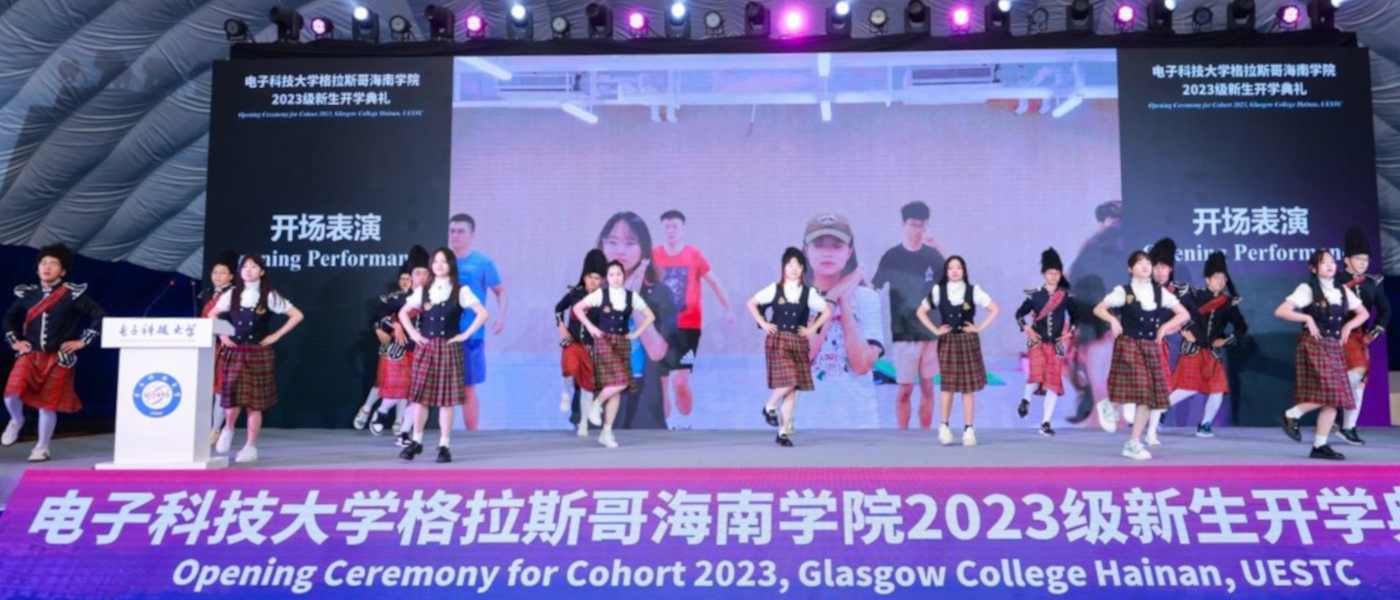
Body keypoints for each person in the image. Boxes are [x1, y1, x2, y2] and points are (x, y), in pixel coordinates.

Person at [3, 244, 106, 462]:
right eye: (43, 263)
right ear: (38, 268)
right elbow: (9, 319)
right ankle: (17, 420)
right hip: (30, 354)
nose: (47, 267)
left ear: (63, 271)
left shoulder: (72, 294)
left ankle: (42, 447)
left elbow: (100, 315)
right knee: (11, 393)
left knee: (47, 405)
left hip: (59, 357)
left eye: (53, 264)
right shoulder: (28, 294)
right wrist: (15, 342)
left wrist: (82, 341)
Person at [1093, 250, 1190, 461]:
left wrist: (1164, 327)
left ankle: (1133, 442)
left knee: (1149, 398)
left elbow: (1184, 314)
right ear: (1130, 269)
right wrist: (1113, 320)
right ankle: (1110, 404)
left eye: (1148, 262)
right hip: (1129, 344)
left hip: (1151, 346)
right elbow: (1099, 309)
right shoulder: (1123, 291)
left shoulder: (1160, 293)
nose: (1145, 266)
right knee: (1142, 389)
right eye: (1139, 263)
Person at [398, 248, 489, 463]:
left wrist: (464, 335)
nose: (439, 265)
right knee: (420, 400)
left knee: (446, 402)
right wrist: (413, 334)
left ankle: (444, 446)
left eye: (443, 261)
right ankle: (416, 441)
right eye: (435, 261)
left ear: (451, 265)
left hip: (449, 348)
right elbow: (403, 313)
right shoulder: (423, 290)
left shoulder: (460, 290)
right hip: (426, 348)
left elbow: (483, 313)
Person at [1276, 250, 1369, 460]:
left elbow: (1364, 313)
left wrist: (1348, 327)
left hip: (1334, 346)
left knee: (1334, 399)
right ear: (1313, 268)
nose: (1329, 265)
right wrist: (1307, 319)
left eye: (1332, 261)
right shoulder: (1307, 289)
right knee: (1334, 393)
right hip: (1314, 344)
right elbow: (1281, 310)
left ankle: (1319, 445)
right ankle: (1291, 414)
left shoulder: (1342, 290)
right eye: (1323, 262)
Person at [212, 254, 305, 464]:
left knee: (255, 403)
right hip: (235, 350)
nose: (248, 270)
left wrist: (275, 336)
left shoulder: (269, 295)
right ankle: (228, 428)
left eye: (253, 266)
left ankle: (250, 446)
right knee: (231, 397)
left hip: (258, 352)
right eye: (245, 266)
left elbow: (297, 315)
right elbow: (213, 313)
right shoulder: (231, 294)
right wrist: (223, 335)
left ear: (262, 272)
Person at [1148, 251, 1246, 442]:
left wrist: (1227, 340)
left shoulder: (1228, 303)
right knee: (1189, 388)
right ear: (1207, 279)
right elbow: (1178, 313)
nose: (1220, 281)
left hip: (1212, 352)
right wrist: (1183, 329)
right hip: (1192, 350)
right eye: (1216, 277)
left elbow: (1241, 327)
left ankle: (1205, 424)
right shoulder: (1194, 295)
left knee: (1217, 390)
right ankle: (1159, 410)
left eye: (1223, 278)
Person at [801, 214, 885, 430]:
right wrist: (831, 298)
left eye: (837, 246)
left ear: (849, 252)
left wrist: (845, 302)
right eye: (819, 245)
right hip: (804, 423)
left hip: (859, 423)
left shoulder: (867, 298)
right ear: (806, 250)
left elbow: (862, 364)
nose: (828, 252)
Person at [654, 210, 735, 430]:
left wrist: (728, 310)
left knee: (679, 381)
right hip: (659, 327)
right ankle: (664, 425)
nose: (671, 231)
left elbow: (714, 283)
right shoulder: (654, 256)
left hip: (687, 327)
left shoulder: (694, 255)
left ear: (683, 229)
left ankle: (686, 421)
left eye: (675, 226)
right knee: (661, 381)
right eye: (667, 227)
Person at [595, 211, 674, 430]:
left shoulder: (660, 294)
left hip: (643, 406)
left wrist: (634, 303)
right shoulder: (589, 293)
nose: (620, 250)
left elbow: (657, 352)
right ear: (602, 246)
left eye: (630, 243)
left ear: (643, 249)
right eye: (612, 242)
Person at [747, 247, 832, 447]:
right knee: (791, 380)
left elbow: (826, 311)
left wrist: (812, 329)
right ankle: (769, 406)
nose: (794, 269)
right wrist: (764, 323)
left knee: (792, 389)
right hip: (778, 341)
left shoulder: (809, 293)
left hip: (798, 341)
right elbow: (751, 303)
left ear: (802, 269)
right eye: (790, 265)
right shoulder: (774, 289)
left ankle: (782, 432)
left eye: (798, 265)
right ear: (783, 267)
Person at [871, 201, 945, 430]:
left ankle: (925, 435)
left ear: (926, 225)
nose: (917, 230)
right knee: (905, 389)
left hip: (931, 332)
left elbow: (955, 278)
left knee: (927, 387)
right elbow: (874, 288)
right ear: (903, 224)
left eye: (921, 225)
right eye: (913, 225)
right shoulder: (892, 256)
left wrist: (940, 249)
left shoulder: (933, 255)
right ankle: (902, 437)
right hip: (904, 332)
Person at [917, 256, 999, 446]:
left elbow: (994, 309)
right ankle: (944, 427)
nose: (955, 271)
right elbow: (920, 311)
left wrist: (978, 328)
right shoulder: (938, 290)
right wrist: (936, 330)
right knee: (948, 386)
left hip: (968, 341)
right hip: (948, 341)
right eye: (951, 268)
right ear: (946, 271)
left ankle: (969, 430)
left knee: (968, 388)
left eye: (958, 267)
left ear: (964, 270)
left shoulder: (973, 290)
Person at [573, 261, 657, 448]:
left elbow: (650, 316)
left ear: (623, 276)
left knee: (616, 389)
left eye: (619, 274)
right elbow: (577, 308)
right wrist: (590, 327)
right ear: (607, 278)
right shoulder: (600, 294)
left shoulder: (631, 296)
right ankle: (596, 405)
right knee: (621, 382)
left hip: (622, 344)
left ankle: (606, 432)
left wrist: (636, 333)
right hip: (604, 342)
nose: (616, 278)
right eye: (611, 275)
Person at [448, 213, 507, 431]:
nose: (455, 235)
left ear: (471, 235)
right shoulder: (442, 262)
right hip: (443, 334)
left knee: (468, 389)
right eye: (452, 231)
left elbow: (501, 291)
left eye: (461, 231)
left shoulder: (482, 263)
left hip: (471, 334)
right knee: (440, 388)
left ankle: (471, 435)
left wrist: (501, 316)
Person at [368, 246, 431, 439]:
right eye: (418, 273)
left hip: (424, 351)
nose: (422, 277)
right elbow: (380, 316)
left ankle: (404, 434)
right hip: (401, 350)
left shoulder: (434, 299)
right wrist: (395, 324)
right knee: (399, 390)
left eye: (425, 273)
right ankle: (381, 412)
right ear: (410, 276)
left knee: (417, 396)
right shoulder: (399, 298)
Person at [1014, 248, 1077, 437]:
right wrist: (1027, 328)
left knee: (1053, 383)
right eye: (1050, 273)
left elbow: (1076, 318)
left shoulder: (1065, 296)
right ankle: (1025, 400)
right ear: (1044, 274)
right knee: (1036, 375)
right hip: (1037, 342)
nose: (1054, 276)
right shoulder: (1034, 295)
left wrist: (1069, 334)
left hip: (1056, 344)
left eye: (1057, 273)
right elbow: (1019, 314)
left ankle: (1045, 423)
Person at [1336, 228, 1390, 445]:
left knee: (1359, 382)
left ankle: (1348, 427)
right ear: (1346, 259)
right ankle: (1336, 411)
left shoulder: (1370, 283)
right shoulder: (1334, 280)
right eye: (1358, 258)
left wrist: (1373, 333)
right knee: (1344, 380)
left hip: (1358, 339)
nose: (1363, 263)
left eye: (1366, 259)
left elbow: (1386, 311)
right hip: (1334, 337)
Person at [354, 260, 415, 433]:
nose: (406, 282)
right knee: (382, 381)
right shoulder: (392, 298)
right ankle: (366, 410)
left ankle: (399, 421)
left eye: (409, 279)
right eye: (403, 278)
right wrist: (379, 329)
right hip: (392, 345)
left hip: (413, 347)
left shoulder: (423, 298)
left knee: (406, 385)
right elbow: (377, 318)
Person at [556, 250, 608, 437]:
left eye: (597, 278)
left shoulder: (604, 298)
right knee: (568, 368)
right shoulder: (575, 294)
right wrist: (561, 325)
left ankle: (583, 423)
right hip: (572, 340)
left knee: (587, 386)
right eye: (590, 277)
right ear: (584, 276)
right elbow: (558, 308)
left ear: (602, 279)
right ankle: (565, 393)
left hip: (591, 347)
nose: (593, 281)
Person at [198, 250, 238, 445]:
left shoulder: (236, 295)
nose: (218, 276)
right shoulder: (205, 293)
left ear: (231, 276)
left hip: (225, 347)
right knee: (203, 388)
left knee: (220, 390)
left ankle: (215, 430)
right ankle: (201, 428)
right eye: (215, 272)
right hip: (205, 346)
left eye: (222, 273)